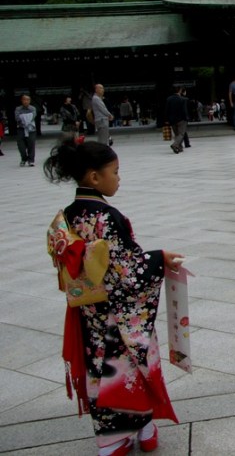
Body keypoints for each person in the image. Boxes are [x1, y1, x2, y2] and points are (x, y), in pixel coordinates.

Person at [43, 137, 184, 456]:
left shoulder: (67, 215)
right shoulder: (108, 217)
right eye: (115, 172)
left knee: (100, 370)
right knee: (133, 366)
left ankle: (111, 440)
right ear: (94, 177)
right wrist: (160, 257)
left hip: (89, 314)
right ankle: (145, 429)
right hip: (118, 313)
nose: (119, 178)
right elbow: (127, 272)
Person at [164, 86, 189, 154]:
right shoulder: (182, 99)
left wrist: (166, 119)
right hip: (181, 119)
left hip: (172, 120)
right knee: (181, 134)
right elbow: (184, 111)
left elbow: (166, 110)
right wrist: (186, 118)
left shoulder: (169, 99)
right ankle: (175, 145)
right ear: (180, 91)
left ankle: (179, 147)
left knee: (177, 134)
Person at [15, 94, 38, 167]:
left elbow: (33, 116)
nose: (26, 101)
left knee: (31, 144)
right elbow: (17, 118)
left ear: (30, 101)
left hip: (31, 129)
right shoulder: (18, 109)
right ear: (22, 100)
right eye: (24, 99)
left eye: (28, 100)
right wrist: (25, 118)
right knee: (21, 145)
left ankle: (31, 160)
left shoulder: (33, 108)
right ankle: (23, 158)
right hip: (21, 129)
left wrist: (24, 118)